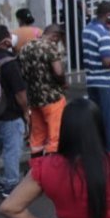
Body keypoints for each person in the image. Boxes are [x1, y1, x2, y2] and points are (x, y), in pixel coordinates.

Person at [0, 25, 29, 197]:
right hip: (10, 115)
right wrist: (26, 111)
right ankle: (11, 185)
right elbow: (20, 93)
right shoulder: (10, 63)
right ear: (6, 40)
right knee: (11, 150)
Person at [82, 1, 110, 153]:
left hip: (93, 81)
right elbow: (107, 61)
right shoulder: (104, 34)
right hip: (108, 83)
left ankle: (100, 154)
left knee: (98, 121)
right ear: (108, 15)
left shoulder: (88, 29)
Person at [19, 24, 68, 157]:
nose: (57, 43)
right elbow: (58, 72)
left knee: (37, 136)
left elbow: (22, 72)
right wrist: (63, 82)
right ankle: (51, 164)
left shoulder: (26, 47)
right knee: (55, 135)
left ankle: (36, 164)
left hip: (34, 98)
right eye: (58, 40)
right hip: (52, 97)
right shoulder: (49, 47)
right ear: (55, 36)